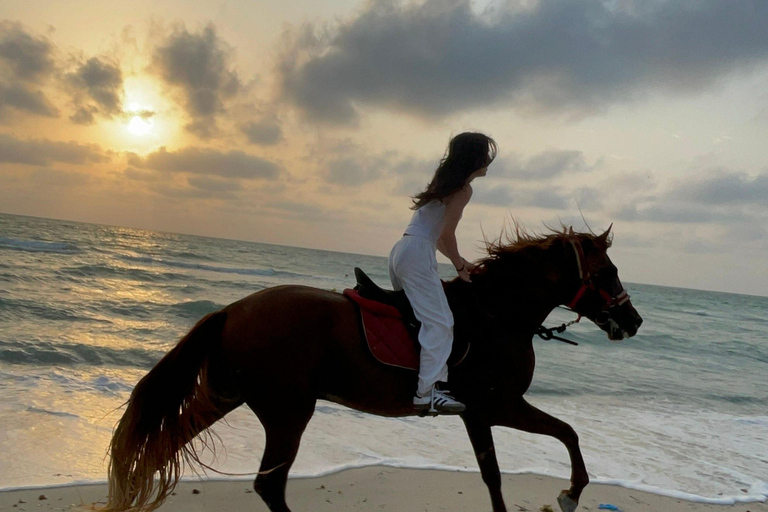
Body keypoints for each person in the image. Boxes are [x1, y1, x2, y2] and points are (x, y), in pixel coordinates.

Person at [388, 132, 497, 414]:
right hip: (418, 254)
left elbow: (438, 238)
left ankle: (405, 376)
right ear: (476, 158)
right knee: (440, 323)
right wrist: (460, 267)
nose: (489, 160)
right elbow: (446, 235)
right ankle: (427, 393)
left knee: (419, 319)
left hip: (403, 249)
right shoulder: (463, 190)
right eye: (486, 154)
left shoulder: (444, 181)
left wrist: (461, 260)